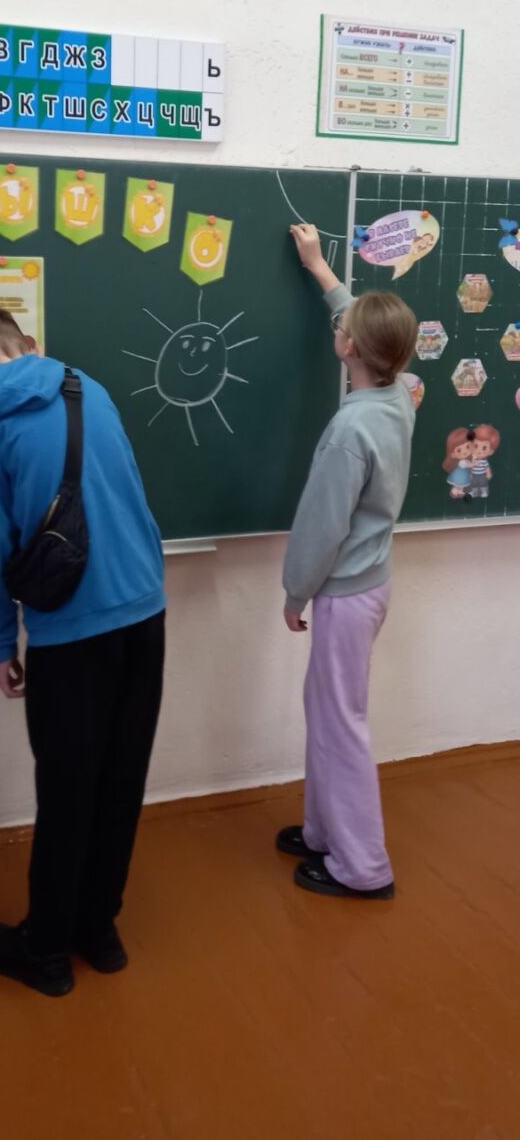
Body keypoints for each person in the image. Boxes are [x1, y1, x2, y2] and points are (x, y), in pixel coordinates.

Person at [0, 306, 165, 998]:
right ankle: (99, 930)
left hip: (69, 630)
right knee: (121, 781)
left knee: (67, 790)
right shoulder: (86, 387)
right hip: (144, 609)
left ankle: (45, 950)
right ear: (32, 346)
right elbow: (130, 490)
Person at [277, 226, 417, 899]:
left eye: (345, 328)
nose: (341, 328)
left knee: (341, 723)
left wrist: (294, 592)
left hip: (342, 592)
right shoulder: (401, 392)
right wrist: (320, 269)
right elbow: (363, 323)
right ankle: (324, 833)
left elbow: (320, 527)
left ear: (349, 349)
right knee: (328, 711)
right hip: (370, 584)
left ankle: (363, 867)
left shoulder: (349, 431)